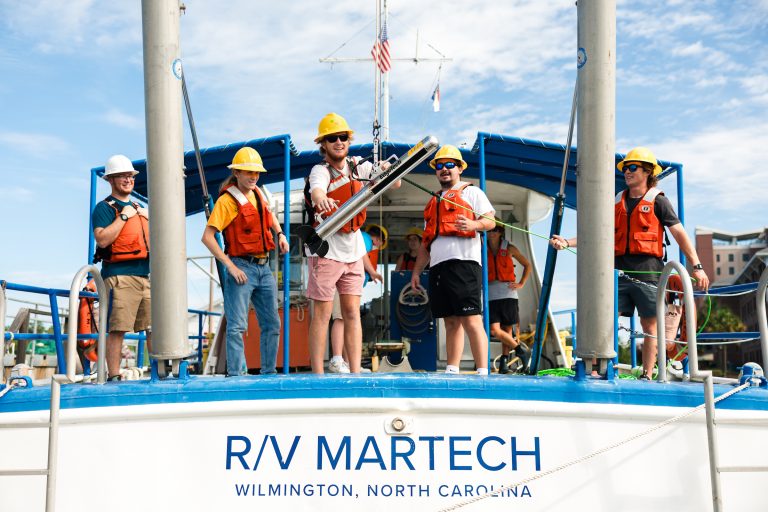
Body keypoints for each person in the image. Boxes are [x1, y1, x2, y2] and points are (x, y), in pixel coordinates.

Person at [550, 146, 709, 380]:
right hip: (618, 272)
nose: (627, 171)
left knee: (650, 326)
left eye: (632, 167)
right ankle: (596, 369)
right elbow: (596, 235)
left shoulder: (659, 201)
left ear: (647, 172)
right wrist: (567, 242)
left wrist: (697, 266)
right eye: (625, 168)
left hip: (649, 273)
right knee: (602, 319)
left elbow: (679, 234)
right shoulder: (616, 202)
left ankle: (647, 374)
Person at [305, 113, 398, 374]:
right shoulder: (320, 171)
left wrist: (387, 170)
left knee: (352, 313)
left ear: (348, 140)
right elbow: (317, 190)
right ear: (323, 144)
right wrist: (321, 199)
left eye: (343, 137)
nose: (338, 141)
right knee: (323, 315)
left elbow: (395, 182)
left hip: (354, 251)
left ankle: (356, 372)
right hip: (326, 250)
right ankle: (318, 374)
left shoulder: (359, 166)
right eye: (332, 138)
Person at [201, 147, 289, 376]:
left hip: (264, 268)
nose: (253, 177)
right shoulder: (227, 202)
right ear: (237, 173)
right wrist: (230, 266)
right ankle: (236, 377)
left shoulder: (258, 194)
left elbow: (269, 219)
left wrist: (280, 235)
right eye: (248, 172)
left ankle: (268, 373)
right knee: (237, 326)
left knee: (273, 325)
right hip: (241, 266)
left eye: (256, 173)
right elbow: (207, 237)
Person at [410, 145, 496, 375]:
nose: (444, 169)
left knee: (470, 318)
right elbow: (427, 243)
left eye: (450, 165)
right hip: (438, 267)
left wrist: (474, 225)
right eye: (440, 165)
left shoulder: (472, 193)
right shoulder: (432, 202)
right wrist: (416, 272)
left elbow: (490, 221)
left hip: (464, 264)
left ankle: (483, 371)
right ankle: (452, 369)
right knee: (449, 321)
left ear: (459, 168)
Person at [91, 154, 151, 381]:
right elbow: (103, 240)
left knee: (154, 326)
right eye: (121, 176)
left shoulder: (141, 208)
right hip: (119, 276)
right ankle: (114, 375)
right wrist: (124, 217)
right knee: (117, 328)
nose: (127, 179)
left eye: (130, 175)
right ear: (110, 180)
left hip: (145, 276)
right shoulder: (105, 208)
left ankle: (159, 372)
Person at [327, 224, 386, 373]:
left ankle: (348, 362)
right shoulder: (365, 239)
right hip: (342, 283)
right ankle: (337, 359)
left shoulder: (360, 237)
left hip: (345, 285)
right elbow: (362, 254)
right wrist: (373, 272)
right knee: (341, 318)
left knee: (348, 322)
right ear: (378, 240)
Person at [487, 222, 532, 373]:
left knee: (507, 330)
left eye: (495, 230)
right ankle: (521, 350)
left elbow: (527, 265)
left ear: (500, 232)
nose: (491, 233)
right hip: (491, 295)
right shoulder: (481, 247)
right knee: (494, 331)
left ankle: (504, 365)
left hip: (508, 294)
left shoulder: (510, 248)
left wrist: (521, 283)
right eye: (489, 230)